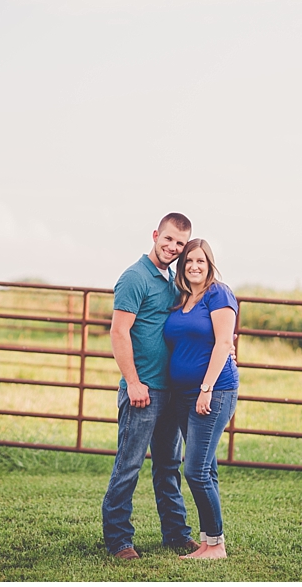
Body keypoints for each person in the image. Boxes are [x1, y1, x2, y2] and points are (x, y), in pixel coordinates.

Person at [102, 213, 200, 559]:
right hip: (143, 391)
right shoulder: (134, 277)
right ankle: (118, 540)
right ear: (156, 234)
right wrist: (132, 382)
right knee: (129, 466)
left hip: (171, 391)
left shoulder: (174, 281)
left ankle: (175, 533)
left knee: (168, 466)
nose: (173, 247)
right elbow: (118, 332)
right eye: (168, 239)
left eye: (179, 243)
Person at [163, 238, 240, 560]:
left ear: (209, 265)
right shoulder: (182, 299)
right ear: (182, 267)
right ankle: (208, 542)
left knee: (194, 469)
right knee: (205, 468)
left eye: (201, 261)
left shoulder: (218, 293)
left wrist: (206, 388)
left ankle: (217, 544)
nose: (194, 266)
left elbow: (224, 343)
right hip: (181, 394)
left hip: (213, 391)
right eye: (189, 261)